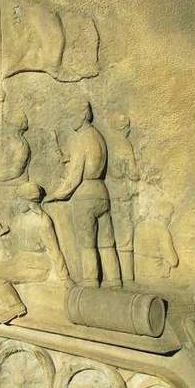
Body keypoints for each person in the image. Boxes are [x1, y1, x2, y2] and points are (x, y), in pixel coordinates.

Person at [45, 100, 121, 288]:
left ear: (83, 115)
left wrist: (57, 194)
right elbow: (90, 160)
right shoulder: (97, 136)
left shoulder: (81, 139)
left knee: (87, 243)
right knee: (106, 242)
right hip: (101, 190)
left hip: (85, 194)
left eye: (72, 115)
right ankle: (114, 280)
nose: (70, 119)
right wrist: (69, 158)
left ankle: (91, 281)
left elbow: (75, 175)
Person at [0, 182, 70, 324]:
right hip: (20, 261)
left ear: (29, 201)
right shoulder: (19, 218)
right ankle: (3, 306)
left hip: (37, 266)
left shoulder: (43, 221)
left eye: (20, 199)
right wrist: (4, 234)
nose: (17, 203)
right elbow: (15, 244)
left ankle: (16, 306)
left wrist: (65, 278)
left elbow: (54, 250)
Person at [104, 112, 140, 282]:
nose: (129, 130)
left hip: (108, 195)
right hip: (122, 195)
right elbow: (133, 173)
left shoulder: (106, 143)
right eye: (126, 127)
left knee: (109, 236)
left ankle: (113, 278)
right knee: (125, 238)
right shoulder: (124, 144)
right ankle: (128, 278)